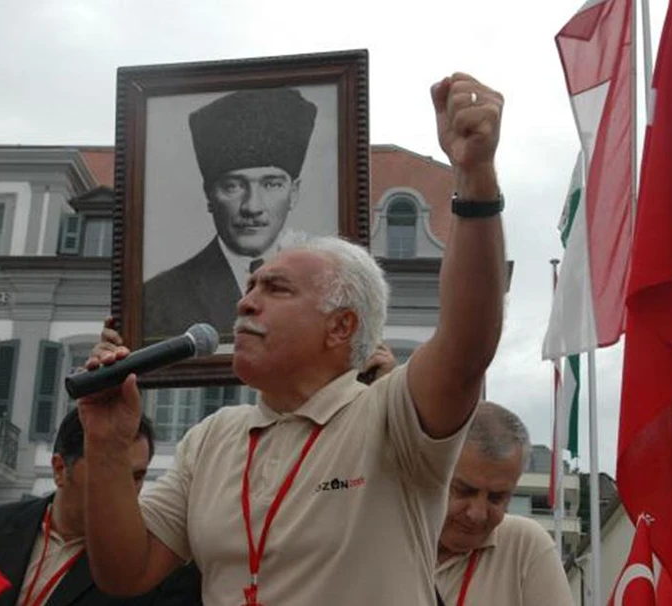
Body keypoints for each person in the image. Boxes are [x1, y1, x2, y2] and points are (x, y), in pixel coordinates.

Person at [80, 72, 507, 606]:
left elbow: (466, 346)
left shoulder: (391, 417)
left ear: (341, 325)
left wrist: (475, 180)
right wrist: (106, 443)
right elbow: (126, 572)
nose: (245, 301)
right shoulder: (211, 438)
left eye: (275, 288)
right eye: (251, 284)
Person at [0, 408, 201, 606]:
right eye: (110, 472)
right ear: (60, 469)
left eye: (137, 476)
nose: (127, 490)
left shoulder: (161, 568)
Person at [143, 87, 318, 343]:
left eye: (271, 184)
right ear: (209, 195)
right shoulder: (157, 299)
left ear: (294, 192)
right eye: (233, 186)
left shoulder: (326, 289)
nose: (252, 207)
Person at [434, 402, 574, 606]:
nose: (478, 513)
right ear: (432, 474)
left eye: (496, 498)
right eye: (464, 491)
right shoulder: (383, 538)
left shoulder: (525, 547)